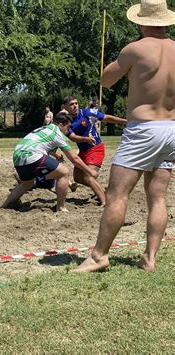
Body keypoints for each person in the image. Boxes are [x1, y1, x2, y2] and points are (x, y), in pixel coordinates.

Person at [75, 0, 175, 273]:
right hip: (171, 128)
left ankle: (99, 257)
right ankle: (150, 258)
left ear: (142, 21)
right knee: (157, 197)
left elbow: (106, 80)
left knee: (117, 194)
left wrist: (122, 60)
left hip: (143, 129)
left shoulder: (134, 49)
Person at [1, 113, 100, 212]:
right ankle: (60, 207)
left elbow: (45, 147)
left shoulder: (46, 128)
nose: (69, 130)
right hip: (31, 154)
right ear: (61, 125)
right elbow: (74, 158)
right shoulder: (57, 133)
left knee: (27, 183)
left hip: (17, 155)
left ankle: (5, 205)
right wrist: (90, 172)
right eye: (68, 127)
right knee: (64, 172)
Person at [63, 95, 127, 206]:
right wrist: (85, 139)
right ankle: (103, 190)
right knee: (78, 178)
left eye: (76, 103)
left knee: (88, 176)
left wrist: (125, 121)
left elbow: (106, 117)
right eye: (71, 104)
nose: (75, 106)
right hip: (83, 152)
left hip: (95, 149)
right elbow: (72, 137)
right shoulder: (66, 121)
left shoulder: (86, 113)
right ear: (65, 107)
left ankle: (105, 201)